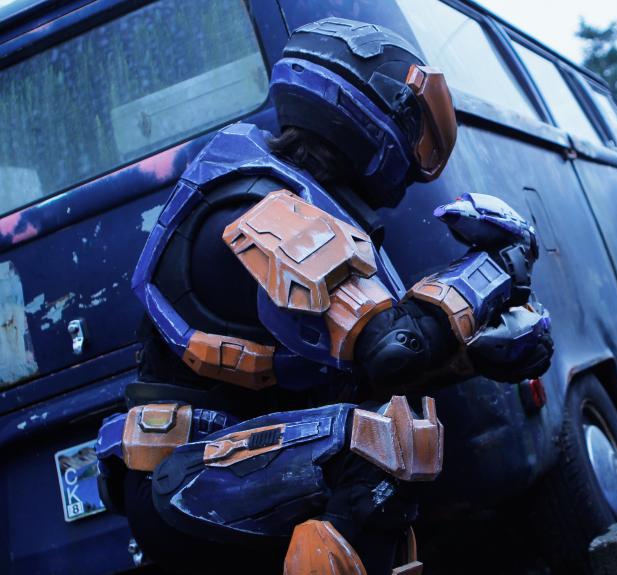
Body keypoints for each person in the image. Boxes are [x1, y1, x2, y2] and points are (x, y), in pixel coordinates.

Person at [94, 18, 553, 575]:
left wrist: (480, 352)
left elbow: (366, 370)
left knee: (393, 426)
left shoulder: (303, 203)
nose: (417, 155)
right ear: (367, 112)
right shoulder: (259, 203)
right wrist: (492, 269)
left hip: (231, 462)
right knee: (378, 444)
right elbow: (396, 349)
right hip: (183, 475)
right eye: (414, 126)